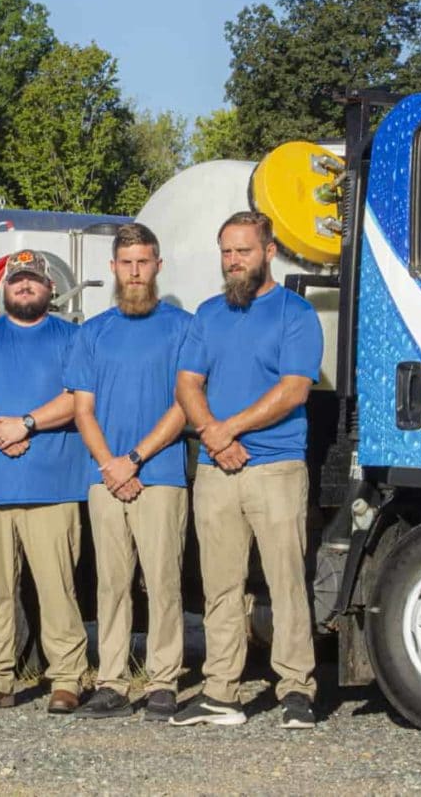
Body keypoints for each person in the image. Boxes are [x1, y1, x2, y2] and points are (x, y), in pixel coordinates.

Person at [172, 211, 323, 729]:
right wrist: (214, 434)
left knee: (285, 582)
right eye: (226, 252)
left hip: (275, 466)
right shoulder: (208, 314)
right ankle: (221, 691)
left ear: (269, 252)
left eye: (244, 251)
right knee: (220, 585)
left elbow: (293, 390)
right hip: (217, 470)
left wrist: (226, 429)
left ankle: (297, 688)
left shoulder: (295, 313)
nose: (233, 262)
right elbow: (188, 384)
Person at [0, 250, 90, 714]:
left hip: (55, 486)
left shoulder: (72, 338)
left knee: (57, 588)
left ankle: (66, 678)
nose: (24, 286)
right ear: (4, 288)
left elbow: (77, 399)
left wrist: (25, 423)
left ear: (50, 289)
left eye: (33, 280)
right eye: (17, 280)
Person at [64, 225, 191, 721]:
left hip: (160, 476)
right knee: (111, 584)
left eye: (143, 262)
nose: (135, 272)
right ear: (113, 269)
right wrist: (110, 465)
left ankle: (163, 682)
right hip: (105, 478)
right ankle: (112, 681)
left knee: (164, 582)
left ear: (157, 265)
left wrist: (135, 459)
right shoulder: (92, 332)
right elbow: (83, 410)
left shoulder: (183, 326)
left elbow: (186, 403)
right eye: (126, 263)